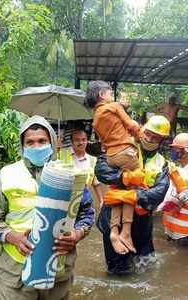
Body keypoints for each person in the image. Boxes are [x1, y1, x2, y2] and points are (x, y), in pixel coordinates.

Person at [0, 115, 94, 300]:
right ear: (22, 146)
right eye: (30, 142)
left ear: (52, 143)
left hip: (58, 270)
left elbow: (86, 213)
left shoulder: (71, 175)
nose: (36, 146)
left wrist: (77, 234)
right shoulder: (6, 175)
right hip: (16, 272)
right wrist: (12, 237)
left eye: (42, 141)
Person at [95, 115, 171, 274]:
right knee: (117, 271)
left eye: (155, 137)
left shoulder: (162, 163)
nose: (149, 139)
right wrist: (123, 177)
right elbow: (101, 168)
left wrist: (134, 196)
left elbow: (160, 192)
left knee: (146, 267)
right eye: (148, 134)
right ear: (142, 130)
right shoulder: (124, 145)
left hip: (142, 221)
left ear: (162, 140)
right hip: (113, 217)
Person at [85, 80, 142, 255]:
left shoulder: (95, 119)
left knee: (117, 192)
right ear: (102, 95)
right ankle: (126, 232)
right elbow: (131, 125)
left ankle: (114, 232)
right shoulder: (114, 107)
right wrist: (140, 134)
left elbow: (103, 142)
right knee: (131, 190)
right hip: (126, 152)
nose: (112, 95)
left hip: (111, 157)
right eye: (109, 92)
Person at [59, 129, 104, 207]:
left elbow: (95, 182)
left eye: (84, 140)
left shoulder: (92, 159)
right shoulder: (64, 155)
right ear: (72, 142)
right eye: (77, 140)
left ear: (87, 141)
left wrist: (101, 201)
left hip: (85, 200)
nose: (81, 143)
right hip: (66, 198)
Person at [159, 133, 188, 245]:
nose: (173, 152)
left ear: (185, 151)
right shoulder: (178, 169)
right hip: (171, 231)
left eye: (176, 149)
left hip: (185, 235)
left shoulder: (178, 173)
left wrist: (180, 185)